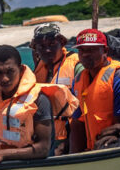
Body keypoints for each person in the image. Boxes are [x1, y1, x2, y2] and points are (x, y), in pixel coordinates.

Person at [0, 45, 78, 170]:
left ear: (20, 68)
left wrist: (1, 155)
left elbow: (43, 148)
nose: (4, 78)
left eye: (10, 71)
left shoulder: (38, 99)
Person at [69, 29, 120, 153]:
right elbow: (77, 123)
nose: (86, 55)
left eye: (92, 50)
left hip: (116, 146)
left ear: (105, 51)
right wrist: (73, 155)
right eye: (82, 50)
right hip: (92, 147)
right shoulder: (78, 81)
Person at [31, 23, 83, 153]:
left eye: (52, 44)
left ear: (62, 43)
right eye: (41, 46)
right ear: (35, 49)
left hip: (70, 137)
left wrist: (70, 142)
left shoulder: (77, 66)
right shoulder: (38, 69)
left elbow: (84, 107)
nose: (47, 50)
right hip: (44, 138)